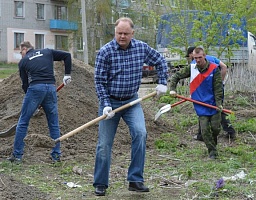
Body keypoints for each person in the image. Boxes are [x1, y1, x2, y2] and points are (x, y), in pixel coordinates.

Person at [93, 17, 168, 196]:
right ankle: (101, 183)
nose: (122, 36)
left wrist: (162, 82)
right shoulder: (106, 52)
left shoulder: (141, 48)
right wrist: (105, 104)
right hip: (110, 102)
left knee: (140, 133)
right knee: (104, 144)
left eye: (126, 33)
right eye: (119, 33)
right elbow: (99, 81)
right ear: (115, 33)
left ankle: (135, 179)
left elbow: (160, 61)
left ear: (132, 33)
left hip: (132, 102)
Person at [7, 41, 72, 163]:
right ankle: (56, 155)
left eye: (21, 52)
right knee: (53, 123)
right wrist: (67, 74)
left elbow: (25, 84)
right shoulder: (47, 52)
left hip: (35, 89)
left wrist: (33, 103)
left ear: (25, 49)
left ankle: (17, 155)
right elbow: (67, 55)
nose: (21, 54)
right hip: (51, 88)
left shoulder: (24, 61)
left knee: (23, 122)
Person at [170, 47, 223, 159]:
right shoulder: (191, 68)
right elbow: (176, 76)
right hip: (200, 104)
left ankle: (213, 144)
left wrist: (219, 103)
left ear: (204, 56)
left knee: (215, 128)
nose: (198, 60)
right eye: (195, 58)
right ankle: (212, 152)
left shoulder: (214, 69)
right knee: (204, 130)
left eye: (200, 57)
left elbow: (218, 88)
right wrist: (173, 89)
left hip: (213, 103)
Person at [186, 46, 236, 141]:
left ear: (191, 54)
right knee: (206, 110)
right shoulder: (209, 58)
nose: (192, 59)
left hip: (211, 92)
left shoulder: (197, 63)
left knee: (217, 110)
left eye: (189, 56)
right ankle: (201, 135)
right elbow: (224, 67)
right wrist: (220, 83)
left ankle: (230, 131)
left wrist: (217, 85)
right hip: (207, 91)